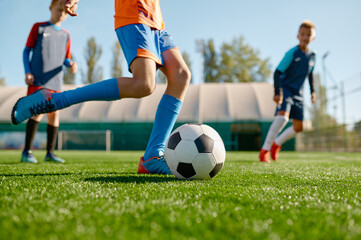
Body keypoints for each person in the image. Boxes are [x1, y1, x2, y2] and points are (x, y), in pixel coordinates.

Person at [12, 0, 191, 174]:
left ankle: (153, 156)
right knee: (143, 84)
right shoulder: (40, 27)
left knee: (181, 75)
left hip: (157, 22)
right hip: (135, 13)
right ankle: (56, 99)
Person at [21, 0, 78, 163]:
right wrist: (28, 71)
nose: (61, 12)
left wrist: (71, 64)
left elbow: (65, 58)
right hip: (38, 79)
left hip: (56, 82)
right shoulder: (38, 27)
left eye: (65, 10)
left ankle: (50, 153)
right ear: (50, 8)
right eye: (59, 8)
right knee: (37, 113)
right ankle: (27, 152)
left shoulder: (66, 35)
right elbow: (26, 51)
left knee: (54, 116)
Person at [259, 20, 316, 162]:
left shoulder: (312, 56)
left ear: (313, 38)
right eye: (302, 34)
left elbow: (310, 74)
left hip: (299, 94)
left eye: (308, 35)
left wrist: (312, 92)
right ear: (298, 36)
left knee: (299, 127)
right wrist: (277, 92)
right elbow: (277, 72)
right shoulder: (292, 52)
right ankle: (264, 150)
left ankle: (276, 144)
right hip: (286, 89)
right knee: (282, 118)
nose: (305, 37)